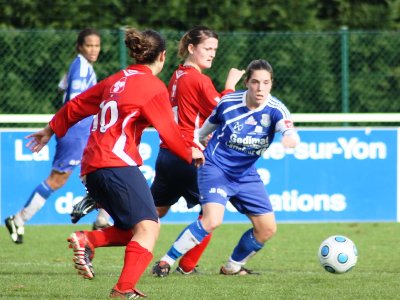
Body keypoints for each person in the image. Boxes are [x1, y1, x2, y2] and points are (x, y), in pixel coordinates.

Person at [25, 28, 205, 299]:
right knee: (149, 227)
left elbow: (77, 105)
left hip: (91, 168)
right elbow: (170, 132)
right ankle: (123, 290)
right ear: (163, 56)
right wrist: (191, 152)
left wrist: (50, 129)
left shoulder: (115, 79)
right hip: (116, 164)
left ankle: (89, 240)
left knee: (131, 229)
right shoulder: (153, 87)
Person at [152, 59, 300, 276]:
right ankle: (165, 262)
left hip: (246, 174)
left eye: (266, 83)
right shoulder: (229, 102)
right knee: (212, 220)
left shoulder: (276, 109)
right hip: (216, 168)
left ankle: (231, 267)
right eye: (255, 82)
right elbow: (203, 132)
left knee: (267, 228)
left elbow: (288, 130)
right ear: (247, 82)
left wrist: (290, 138)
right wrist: (198, 145)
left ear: (271, 84)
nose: (260, 88)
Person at [151, 25, 245, 277]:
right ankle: (185, 265)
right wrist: (230, 85)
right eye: (207, 48)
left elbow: (202, 115)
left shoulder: (177, 75)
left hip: (167, 155)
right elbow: (226, 111)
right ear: (191, 48)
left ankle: (92, 239)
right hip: (189, 156)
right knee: (211, 214)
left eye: (215, 49)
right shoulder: (198, 79)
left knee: (149, 215)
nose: (212, 53)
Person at [5, 28, 110, 245]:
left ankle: (102, 217)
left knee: (103, 170)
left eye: (97, 45)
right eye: (89, 45)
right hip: (76, 132)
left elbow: (63, 88)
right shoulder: (81, 67)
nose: (93, 49)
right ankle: (19, 218)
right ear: (80, 46)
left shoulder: (80, 66)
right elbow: (74, 101)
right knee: (58, 179)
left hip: (83, 131)